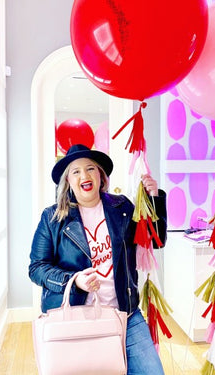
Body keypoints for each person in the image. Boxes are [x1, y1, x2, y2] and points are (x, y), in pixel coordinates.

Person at [29, 144, 167, 374]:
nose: (85, 175)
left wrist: (154, 199)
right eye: (76, 171)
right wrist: (73, 280)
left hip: (125, 314)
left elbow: (155, 240)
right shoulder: (51, 218)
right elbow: (36, 268)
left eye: (91, 168)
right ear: (69, 181)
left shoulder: (121, 207)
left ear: (100, 176)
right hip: (75, 319)